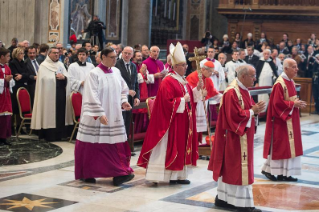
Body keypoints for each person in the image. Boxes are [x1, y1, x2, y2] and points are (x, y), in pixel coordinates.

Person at [137, 42, 200, 184]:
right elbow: (166, 103)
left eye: (185, 65)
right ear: (176, 67)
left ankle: (178, 175)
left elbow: (189, 96)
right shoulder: (168, 81)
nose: (186, 67)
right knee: (169, 147)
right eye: (183, 65)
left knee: (181, 146)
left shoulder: (182, 80)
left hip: (182, 119)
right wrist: (182, 101)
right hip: (170, 123)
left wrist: (197, 90)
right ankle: (163, 176)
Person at [208, 65, 266, 212]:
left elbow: (247, 109)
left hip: (242, 137)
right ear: (242, 77)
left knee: (232, 169)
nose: (255, 79)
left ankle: (223, 199)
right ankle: (242, 203)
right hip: (235, 138)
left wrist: (255, 110)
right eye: (252, 76)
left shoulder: (243, 89)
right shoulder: (231, 92)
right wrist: (252, 112)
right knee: (236, 170)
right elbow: (233, 116)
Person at [75, 47, 134, 185]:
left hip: (113, 114)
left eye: (115, 57)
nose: (115, 60)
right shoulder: (94, 74)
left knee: (115, 143)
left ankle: (119, 173)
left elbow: (122, 89)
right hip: (97, 117)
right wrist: (99, 113)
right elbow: (91, 95)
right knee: (92, 144)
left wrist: (124, 101)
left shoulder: (116, 72)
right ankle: (87, 173)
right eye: (112, 57)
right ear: (103, 58)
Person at [261, 58, 306, 182]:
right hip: (282, 120)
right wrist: (293, 105)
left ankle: (285, 173)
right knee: (280, 146)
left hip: (291, 119)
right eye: (294, 67)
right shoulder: (279, 83)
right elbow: (276, 103)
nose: (296, 69)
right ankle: (268, 169)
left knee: (289, 146)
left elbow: (291, 99)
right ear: (286, 68)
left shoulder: (290, 81)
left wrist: (296, 103)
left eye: (296, 66)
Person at [31, 47, 73, 141]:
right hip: (48, 95)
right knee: (49, 114)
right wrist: (54, 77)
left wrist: (64, 77)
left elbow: (68, 77)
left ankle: (60, 134)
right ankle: (50, 135)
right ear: (49, 54)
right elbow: (43, 80)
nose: (56, 55)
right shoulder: (44, 66)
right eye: (54, 53)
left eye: (58, 53)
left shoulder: (60, 64)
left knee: (61, 113)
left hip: (60, 93)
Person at [186, 61, 222, 142]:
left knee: (200, 129)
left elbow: (214, 93)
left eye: (212, 72)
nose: (211, 74)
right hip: (194, 107)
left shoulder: (208, 79)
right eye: (210, 71)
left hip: (202, 106)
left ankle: (198, 145)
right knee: (193, 128)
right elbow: (189, 94)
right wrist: (200, 93)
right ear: (203, 69)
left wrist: (225, 97)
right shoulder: (192, 77)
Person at [115, 46, 140, 154]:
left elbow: (135, 83)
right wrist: (127, 91)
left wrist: (137, 97)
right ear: (122, 53)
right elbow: (115, 83)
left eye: (129, 54)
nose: (126, 55)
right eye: (125, 53)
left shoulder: (133, 66)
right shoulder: (117, 65)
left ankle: (125, 147)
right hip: (120, 99)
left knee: (128, 123)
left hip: (130, 99)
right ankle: (118, 148)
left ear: (132, 55)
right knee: (120, 123)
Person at [9, 47, 30, 134]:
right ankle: (12, 127)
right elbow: (15, 76)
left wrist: (22, 76)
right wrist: (22, 76)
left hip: (23, 86)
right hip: (15, 87)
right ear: (17, 54)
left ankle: (19, 127)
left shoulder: (23, 63)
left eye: (23, 53)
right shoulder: (13, 63)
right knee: (15, 108)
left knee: (20, 108)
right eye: (21, 53)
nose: (23, 55)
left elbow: (27, 74)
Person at [0, 48, 15, 145]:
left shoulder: (8, 67)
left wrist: (10, 80)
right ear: (2, 57)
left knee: (6, 117)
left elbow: (12, 83)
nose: (9, 58)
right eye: (7, 56)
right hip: (0, 95)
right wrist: (4, 80)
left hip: (6, 95)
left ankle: (4, 137)